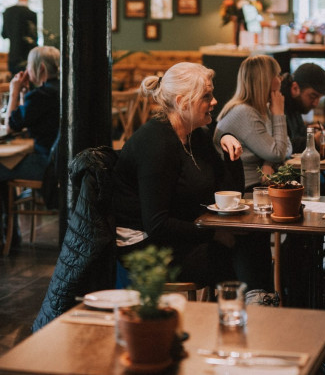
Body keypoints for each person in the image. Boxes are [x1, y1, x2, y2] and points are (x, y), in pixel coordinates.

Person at [113, 62, 272, 292]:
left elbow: (228, 194)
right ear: (181, 102)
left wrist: (230, 149)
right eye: (206, 96)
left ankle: (256, 306)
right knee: (231, 254)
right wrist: (214, 233)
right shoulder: (156, 144)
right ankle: (245, 311)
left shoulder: (196, 134)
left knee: (253, 237)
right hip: (146, 248)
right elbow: (157, 225)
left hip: (181, 231)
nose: (215, 101)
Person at [0, 46, 60, 255]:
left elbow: (11, 126)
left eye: (29, 67)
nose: (27, 72)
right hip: (58, 159)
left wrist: (13, 91)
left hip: (46, 165)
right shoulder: (59, 90)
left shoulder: (41, 95)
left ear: (40, 68)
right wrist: (24, 94)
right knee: (2, 169)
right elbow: (27, 118)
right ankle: (10, 232)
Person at [214, 55, 292, 189]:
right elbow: (278, 153)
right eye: (277, 75)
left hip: (261, 185)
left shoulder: (264, 109)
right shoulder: (244, 112)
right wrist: (279, 114)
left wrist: (268, 163)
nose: (280, 80)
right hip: (244, 189)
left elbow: (287, 146)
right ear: (265, 80)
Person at [280, 63, 325, 153]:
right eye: (313, 96)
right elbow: (282, 147)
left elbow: (295, 134)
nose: (315, 103)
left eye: (319, 98)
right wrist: (313, 140)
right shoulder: (278, 103)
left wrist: (308, 131)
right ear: (295, 88)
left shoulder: (294, 102)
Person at [2, 0, 38, 74]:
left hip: (12, 59)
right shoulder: (31, 14)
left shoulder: (7, 12)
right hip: (27, 60)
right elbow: (33, 39)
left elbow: (4, 34)